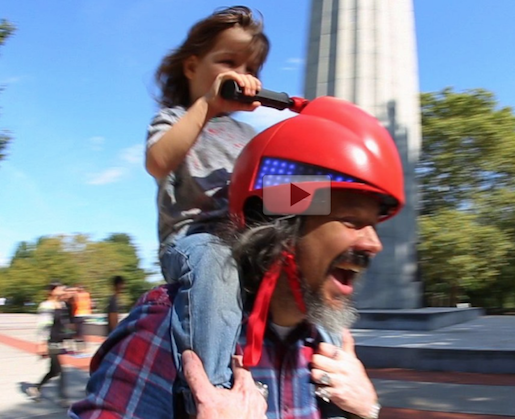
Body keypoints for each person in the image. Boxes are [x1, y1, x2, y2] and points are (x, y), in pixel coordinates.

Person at [70, 94, 401, 418]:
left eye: (374, 225)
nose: (374, 244)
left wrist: (366, 410)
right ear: (283, 225)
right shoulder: (167, 327)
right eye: (351, 220)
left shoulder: (331, 356)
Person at [145, 6, 268, 413]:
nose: (242, 74)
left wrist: (323, 198)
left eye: (251, 67)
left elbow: (266, 195)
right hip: (194, 242)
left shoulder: (250, 135)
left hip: (245, 239)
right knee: (216, 259)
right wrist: (207, 105)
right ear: (193, 66)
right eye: (229, 62)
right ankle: (209, 394)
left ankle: (333, 367)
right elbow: (157, 162)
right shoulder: (176, 119)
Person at [26, 282, 72, 407]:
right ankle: (63, 398)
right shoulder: (46, 305)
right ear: (52, 291)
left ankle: (36, 388)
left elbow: (63, 324)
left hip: (59, 340)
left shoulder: (62, 304)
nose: (63, 291)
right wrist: (42, 343)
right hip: (50, 341)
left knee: (54, 370)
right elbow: (42, 326)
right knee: (60, 370)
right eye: (60, 289)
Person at [72, 285, 92, 353]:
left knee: (79, 332)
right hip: (86, 313)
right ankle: (84, 347)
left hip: (79, 313)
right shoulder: (87, 294)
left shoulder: (77, 295)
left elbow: (74, 303)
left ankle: (81, 347)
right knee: (83, 331)